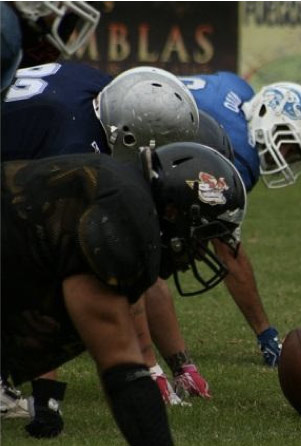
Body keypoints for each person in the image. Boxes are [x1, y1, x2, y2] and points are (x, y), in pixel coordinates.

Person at [1, 61, 203, 433]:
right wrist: (146, 369)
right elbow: (48, 267)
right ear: (130, 137)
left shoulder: (102, 88)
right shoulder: (74, 147)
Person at [1, 142, 247, 446]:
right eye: (203, 237)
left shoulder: (122, 190)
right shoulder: (123, 213)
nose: (200, 255)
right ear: (172, 211)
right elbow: (121, 364)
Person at [178, 72, 301, 366]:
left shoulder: (237, 88)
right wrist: (266, 334)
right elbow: (228, 254)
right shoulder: (240, 156)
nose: (285, 156)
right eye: (289, 144)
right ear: (268, 116)